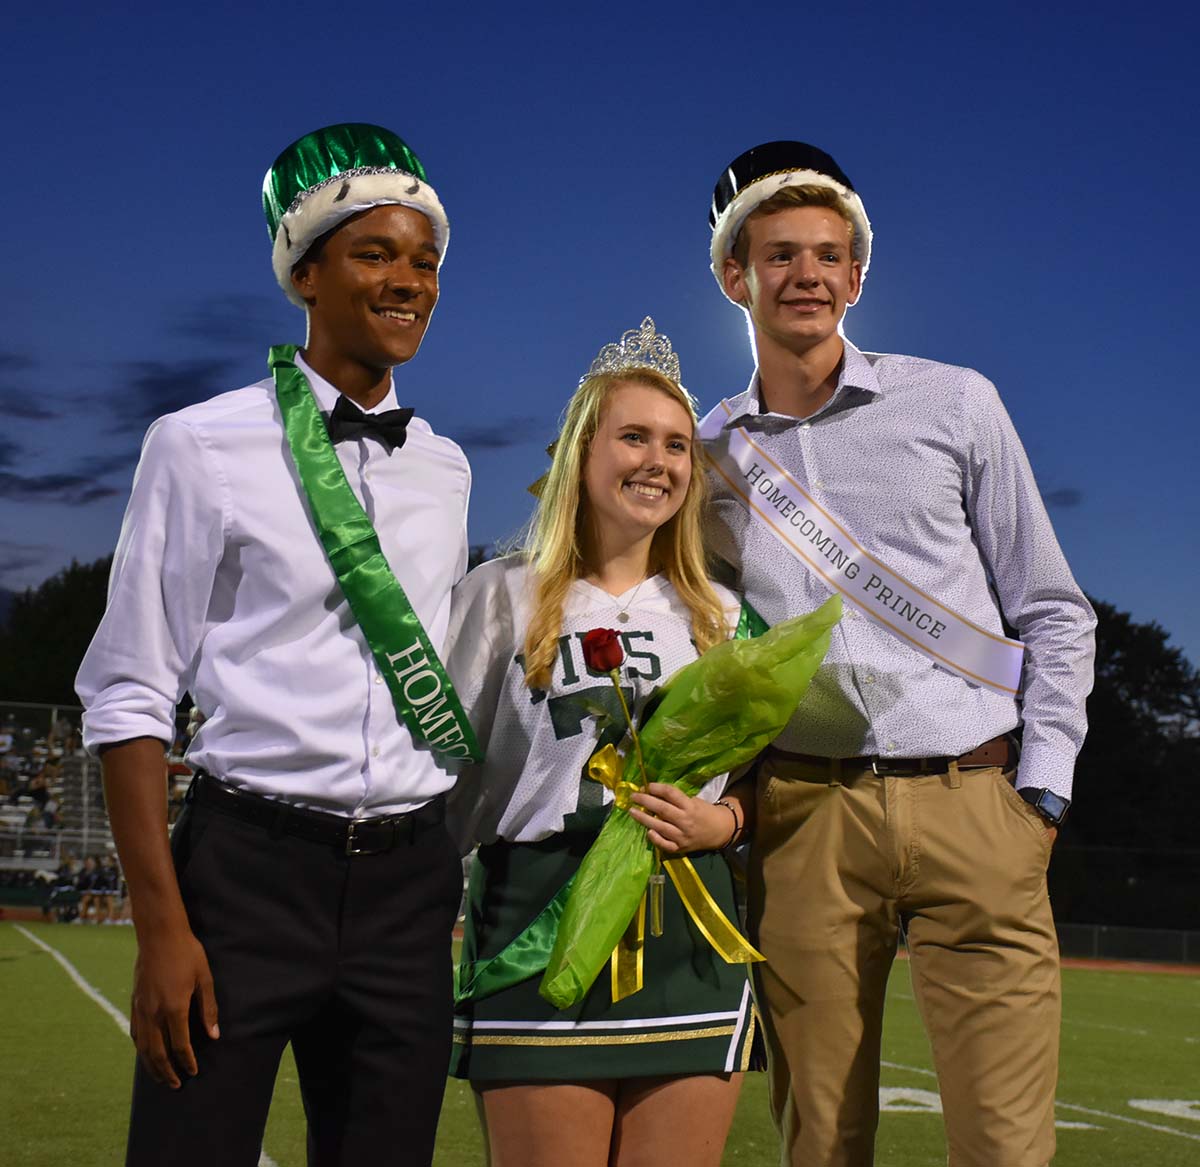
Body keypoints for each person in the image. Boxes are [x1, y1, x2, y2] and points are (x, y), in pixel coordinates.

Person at [76, 123, 472, 1167]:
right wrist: (162, 931)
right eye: (374, 253)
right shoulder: (199, 444)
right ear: (304, 271)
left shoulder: (448, 468)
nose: (408, 281)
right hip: (246, 877)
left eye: (424, 260)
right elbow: (127, 692)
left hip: (404, 885)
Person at [700, 141, 1096, 1167]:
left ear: (859, 276)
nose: (809, 276)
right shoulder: (702, 455)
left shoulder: (956, 401)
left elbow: (1054, 609)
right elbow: (707, 655)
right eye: (780, 254)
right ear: (733, 274)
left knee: (1007, 1148)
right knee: (821, 1144)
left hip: (978, 803)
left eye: (830, 254)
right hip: (801, 818)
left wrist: (1042, 795)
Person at [447, 317, 759, 1167]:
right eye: (632, 437)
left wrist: (724, 825)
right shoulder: (497, 597)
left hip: (688, 930)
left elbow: (768, 783)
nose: (657, 461)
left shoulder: (725, 616)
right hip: (537, 925)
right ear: (581, 454)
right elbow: (443, 773)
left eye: (677, 446)